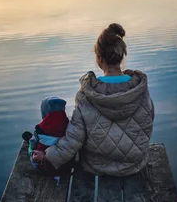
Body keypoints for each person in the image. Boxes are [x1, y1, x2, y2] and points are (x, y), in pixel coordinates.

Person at [33, 23, 154, 176]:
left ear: (98, 57)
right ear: (122, 55)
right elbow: (148, 122)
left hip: (96, 167)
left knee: (48, 107)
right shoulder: (140, 90)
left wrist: (48, 156)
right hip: (135, 165)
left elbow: (74, 139)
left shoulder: (87, 94)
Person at [22, 97, 73, 176]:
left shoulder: (40, 129)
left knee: (32, 147)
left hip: (45, 167)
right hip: (65, 167)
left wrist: (32, 146)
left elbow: (34, 143)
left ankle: (30, 149)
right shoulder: (69, 126)